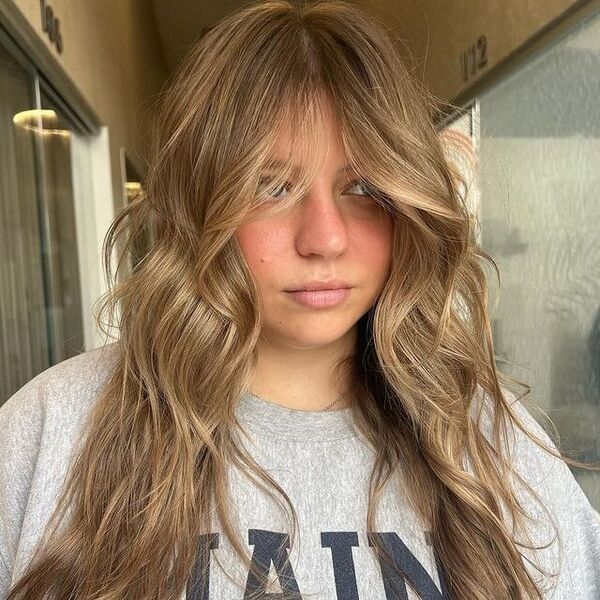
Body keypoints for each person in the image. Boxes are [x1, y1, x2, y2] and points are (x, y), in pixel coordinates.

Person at [1, 1, 599, 598]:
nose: (325, 239)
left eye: (365, 187)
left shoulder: (495, 443)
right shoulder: (53, 430)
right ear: (200, 204)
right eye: (271, 186)